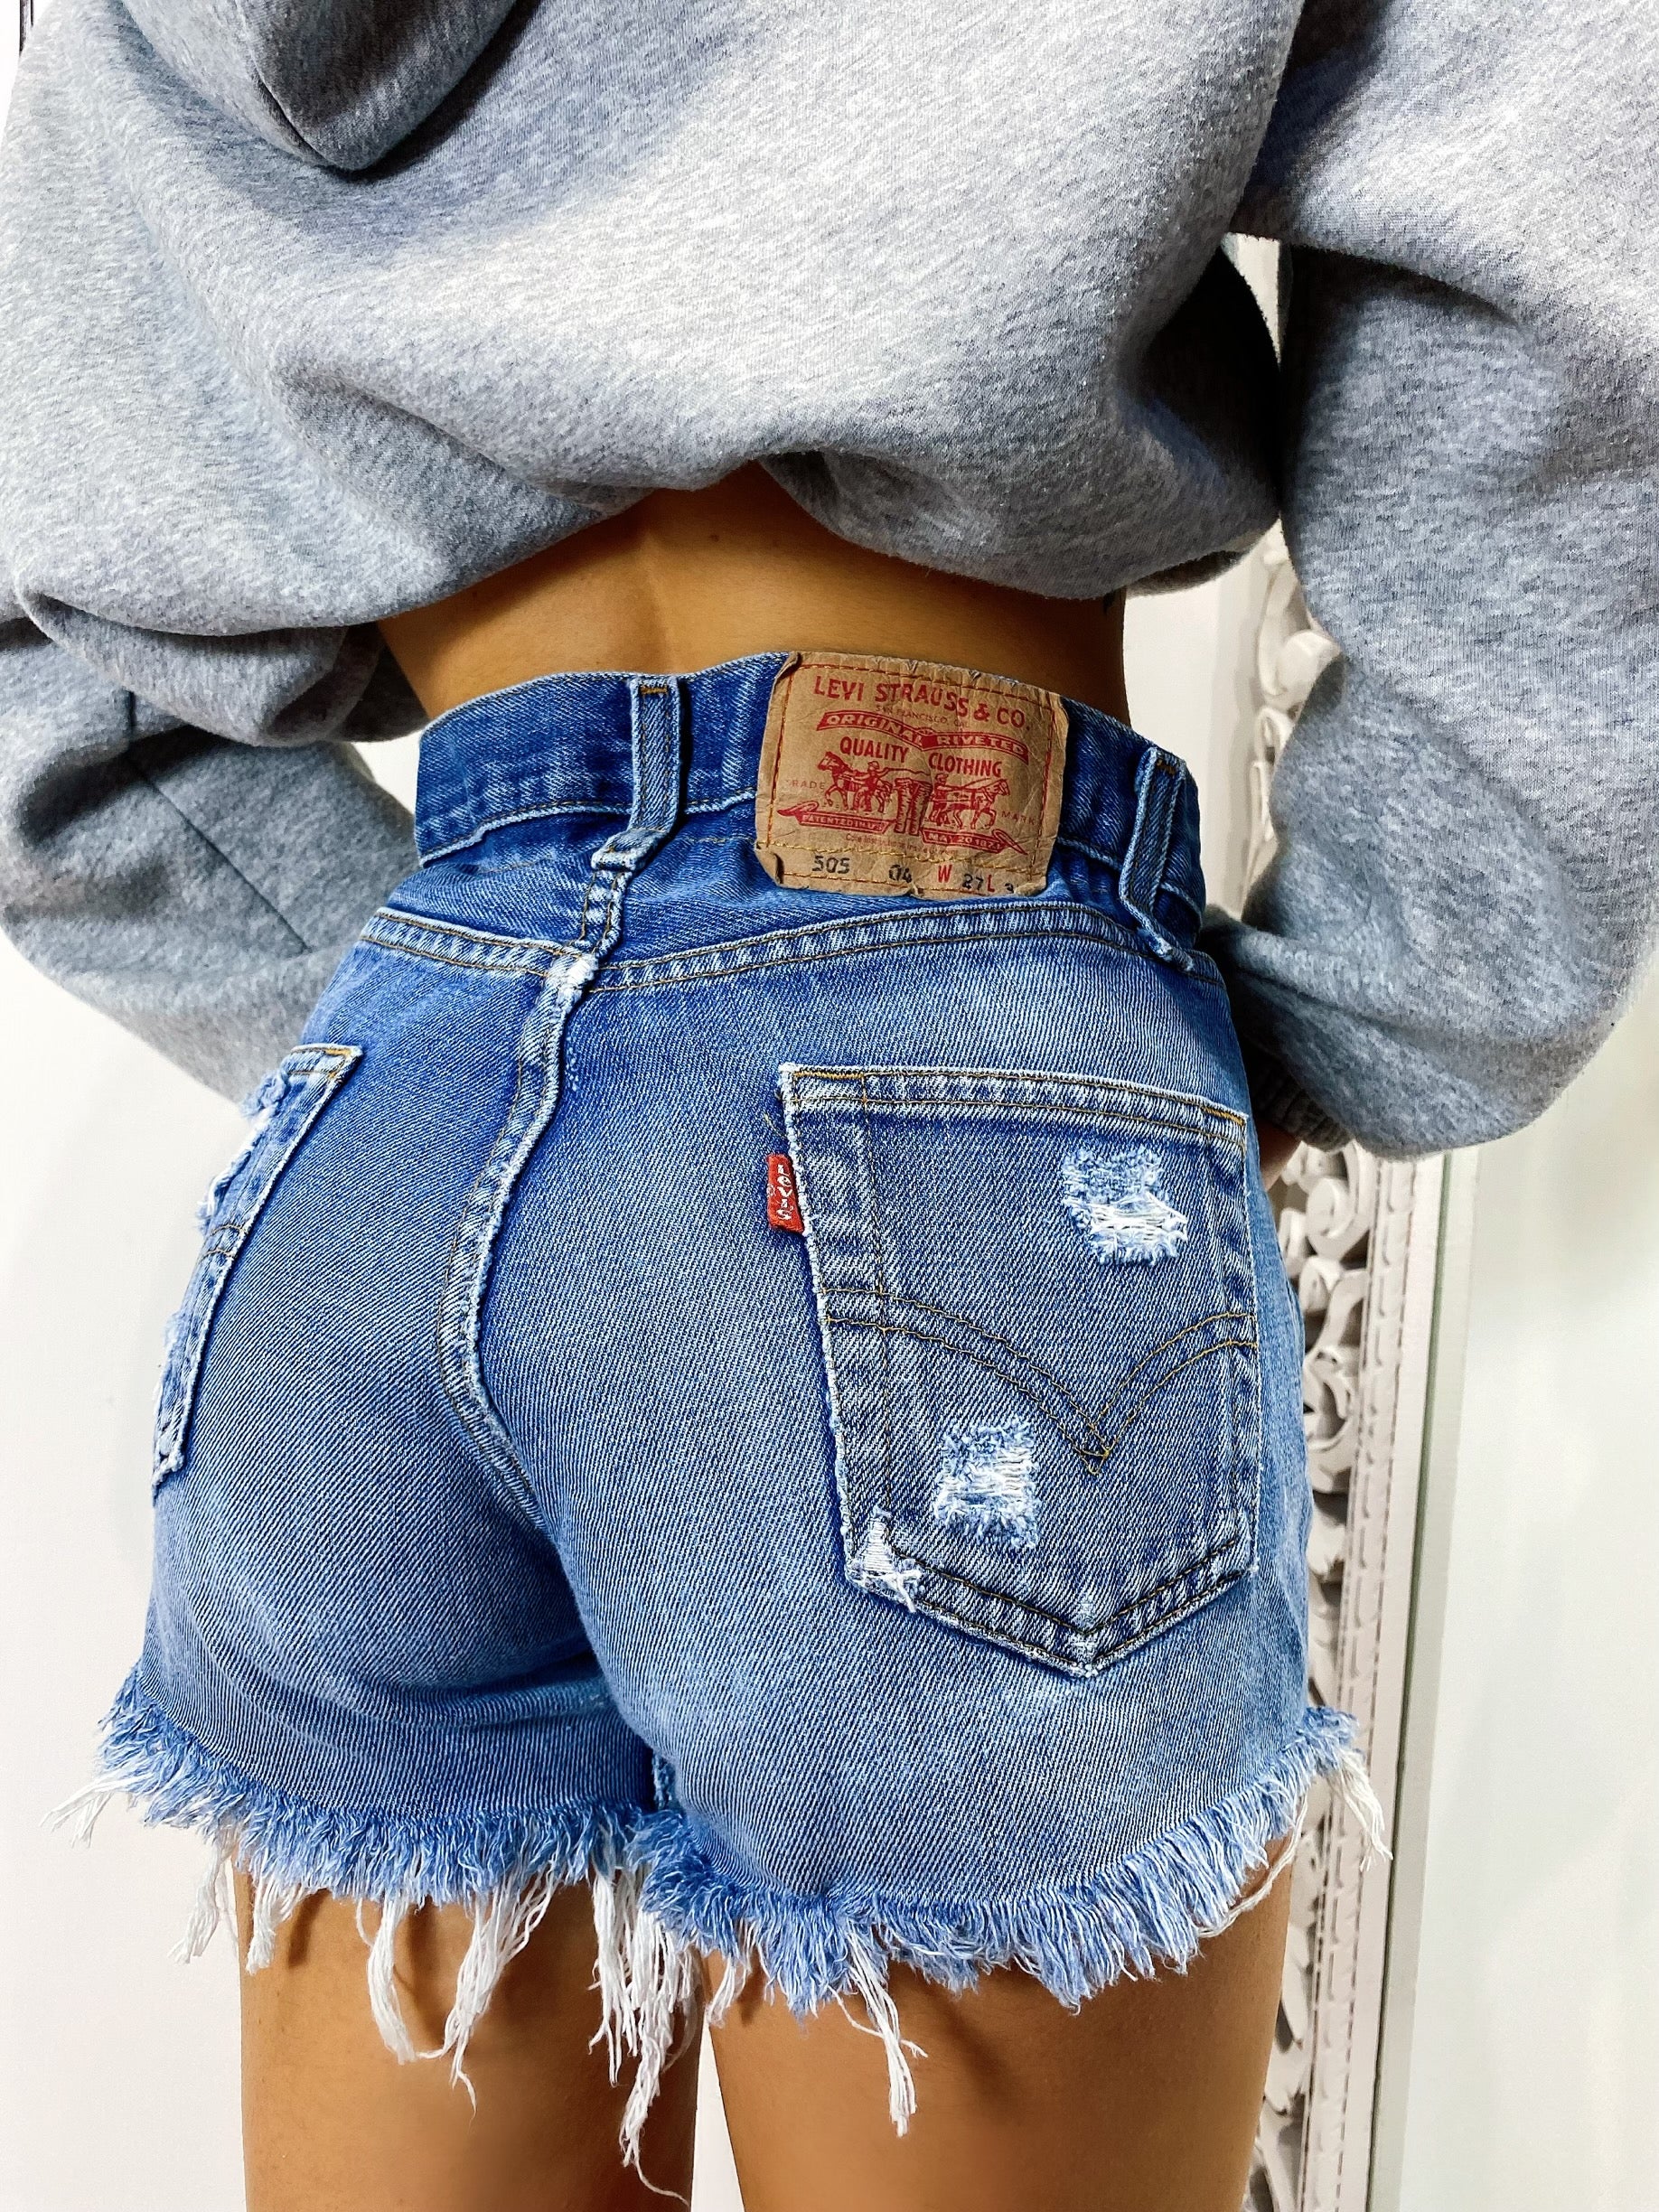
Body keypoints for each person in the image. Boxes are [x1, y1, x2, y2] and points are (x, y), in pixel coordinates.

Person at [1, 4, 1654, 2208]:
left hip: (390, 1115)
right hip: (959, 1011)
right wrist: (1363, 1012)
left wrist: (424, 1036)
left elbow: (35, 666)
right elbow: (1557, 293)